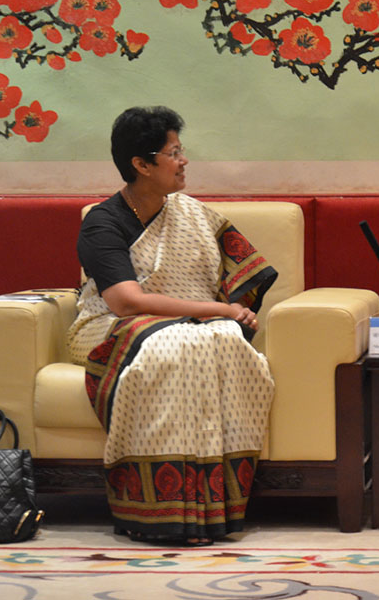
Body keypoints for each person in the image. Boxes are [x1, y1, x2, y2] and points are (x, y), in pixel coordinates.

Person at [67, 107, 277, 546]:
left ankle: (210, 512)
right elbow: (125, 302)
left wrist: (231, 312)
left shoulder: (193, 214)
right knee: (175, 345)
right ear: (141, 165)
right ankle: (159, 515)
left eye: (181, 150)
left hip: (190, 326)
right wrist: (216, 310)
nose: (184, 161)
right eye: (174, 152)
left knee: (222, 343)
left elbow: (240, 275)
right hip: (109, 327)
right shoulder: (102, 223)